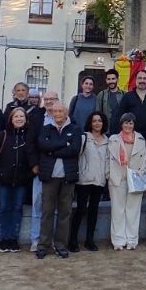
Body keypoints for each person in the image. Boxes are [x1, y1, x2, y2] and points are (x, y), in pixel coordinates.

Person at [36, 103, 83, 259]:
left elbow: (74, 149)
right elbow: (43, 145)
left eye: (60, 111)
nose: (57, 113)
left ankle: (61, 245)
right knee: (47, 212)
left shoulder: (75, 129)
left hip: (67, 176)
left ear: (66, 112)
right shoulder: (45, 128)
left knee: (65, 213)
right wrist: (64, 143)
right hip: (49, 176)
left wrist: (52, 150)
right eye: (55, 111)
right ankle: (43, 245)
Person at [0, 107, 35, 253]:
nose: (19, 119)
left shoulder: (29, 137)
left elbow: (33, 158)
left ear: (26, 119)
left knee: (17, 209)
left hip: (21, 181)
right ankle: (4, 238)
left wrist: (28, 175)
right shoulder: (1, 136)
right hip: (3, 180)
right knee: (3, 209)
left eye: (22, 116)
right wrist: (0, 174)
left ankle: (13, 238)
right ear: (11, 119)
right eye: (16, 116)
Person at [69, 111, 110, 252]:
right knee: (80, 210)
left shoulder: (107, 140)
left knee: (94, 210)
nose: (97, 123)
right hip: (84, 180)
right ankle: (72, 240)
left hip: (99, 180)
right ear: (90, 123)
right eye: (94, 121)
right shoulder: (84, 138)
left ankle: (90, 240)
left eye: (100, 120)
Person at [107, 113, 146, 250]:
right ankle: (118, 241)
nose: (128, 125)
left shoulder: (141, 139)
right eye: (126, 122)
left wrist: (143, 173)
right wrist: (109, 174)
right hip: (117, 178)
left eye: (131, 123)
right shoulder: (113, 139)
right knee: (117, 210)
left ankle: (132, 239)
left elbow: (145, 159)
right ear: (121, 124)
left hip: (135, 178)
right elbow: (107, 158)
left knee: (133, 210)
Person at [28, 90, 61, 252]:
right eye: (46, 99)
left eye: (52, 99)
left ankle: (52, 239)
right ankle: (36, 239)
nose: (48, 101)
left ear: (57, 100)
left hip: (59, 168)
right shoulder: (36, 117)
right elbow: (30, 143)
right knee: (38, 205)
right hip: (40, 167)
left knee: (54, 207)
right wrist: (34, 164)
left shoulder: (64, 117)